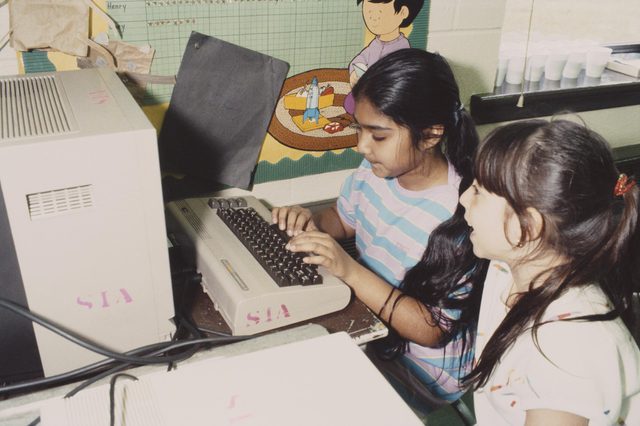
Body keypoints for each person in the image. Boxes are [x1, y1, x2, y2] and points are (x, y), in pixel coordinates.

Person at [273, 48, 488, 403]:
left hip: (422, 368)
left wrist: (350, 271)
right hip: (373, 329)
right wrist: (309, 223)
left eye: (379, 135)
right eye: (360, 130)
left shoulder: (462, 215)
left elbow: (432, 331)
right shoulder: (376, 173)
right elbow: (343, 219)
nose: (361, 146)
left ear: (432, 134)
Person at [459, 118, 640, 425]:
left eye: (478, 190)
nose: (463, 198)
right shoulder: (507, 267)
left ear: (526, 226)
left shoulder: (568, 352)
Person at [343, 0, 425, 115]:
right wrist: (354, 73)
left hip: (386, 94)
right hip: (369, 90)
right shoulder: (375, 43)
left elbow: (399, 75)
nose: (373, 18)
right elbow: (361, 58)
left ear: (403, 12)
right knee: (350, 102)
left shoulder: (402, 46)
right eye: (369, 11)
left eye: (380, 12)